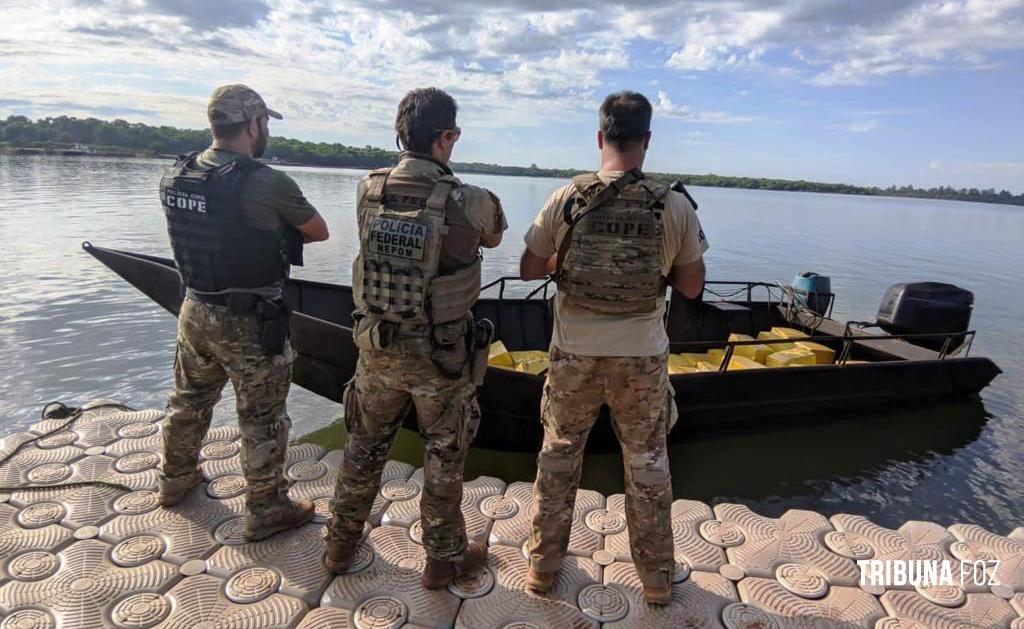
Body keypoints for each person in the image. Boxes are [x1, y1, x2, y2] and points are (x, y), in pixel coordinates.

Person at [519, 91, 708, 604]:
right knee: (647, 464)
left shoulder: (566, 199)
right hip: (641, 358)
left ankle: (542, 567)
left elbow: (529, 269)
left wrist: (565, 263)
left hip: (574, 354)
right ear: (646, 141)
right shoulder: (673, 205)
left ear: (600, 138)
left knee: (558, 456)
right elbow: (692, 288)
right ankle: (655, 581)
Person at [324, 88, 507, 589]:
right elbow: (494, 234)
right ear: (447, 137)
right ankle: (442, 560)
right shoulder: (470, 201)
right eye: (453, 135)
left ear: (400, 133)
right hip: (442, 358)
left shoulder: (368, 189)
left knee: (362, 446)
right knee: (444, 456)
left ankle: (339, 545)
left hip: (377, 348)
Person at [157, 84, 330, 542]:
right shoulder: (265, 180)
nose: (266, 130)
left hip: (193, 308)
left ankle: (174, 480)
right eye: (265, 122)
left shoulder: (177, 174)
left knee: (188, 400)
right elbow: (318, 231)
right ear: (253, 125)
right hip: (249, 321)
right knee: (263, 417)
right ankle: (266, 507)